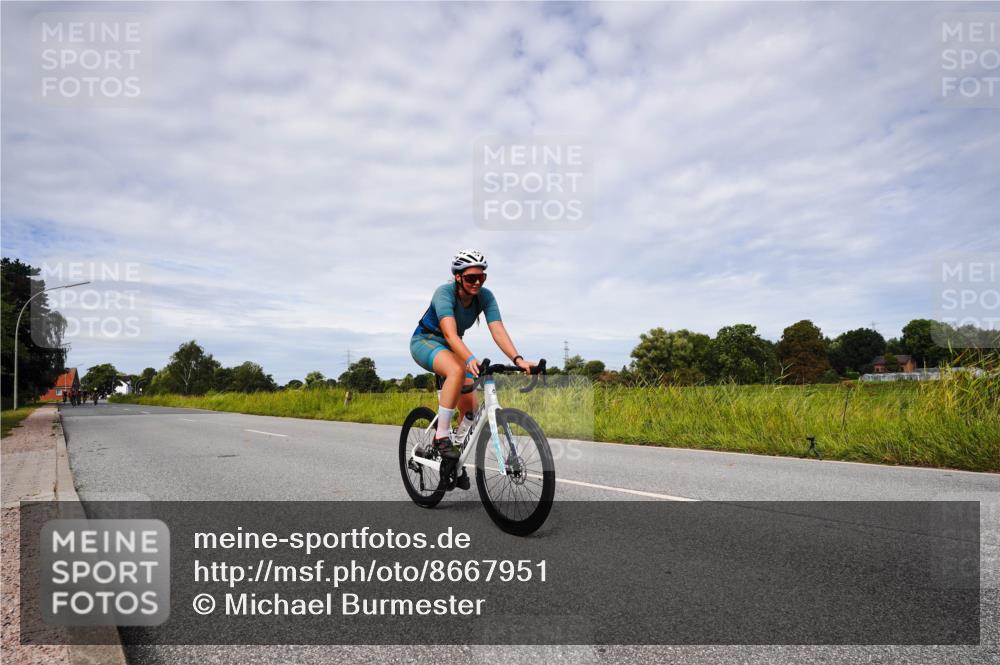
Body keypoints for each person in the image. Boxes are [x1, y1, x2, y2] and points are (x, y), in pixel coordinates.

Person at [410, 249, 535, 478]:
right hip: (426, 341)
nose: (477, 282)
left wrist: (517, 359)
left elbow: (497, 329)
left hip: (453, 347)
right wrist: (468, 359)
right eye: (471, 278)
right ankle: (441, 438)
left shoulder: (485, 296)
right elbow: (449, 334)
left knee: (471, 410)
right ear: (458, 277)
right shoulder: (444, 293)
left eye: (481, 277)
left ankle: (452, 461)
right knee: (457, 369)